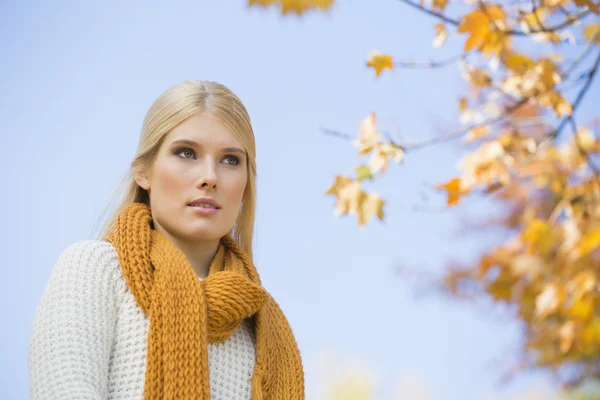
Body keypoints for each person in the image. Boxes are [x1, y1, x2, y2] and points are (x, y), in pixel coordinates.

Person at [28, 80, 305, 399]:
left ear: (245, 184)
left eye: (230, 160)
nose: (210, 177)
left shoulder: (260, 321)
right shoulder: (94, 270)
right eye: (186, 153)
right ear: (144, 172)